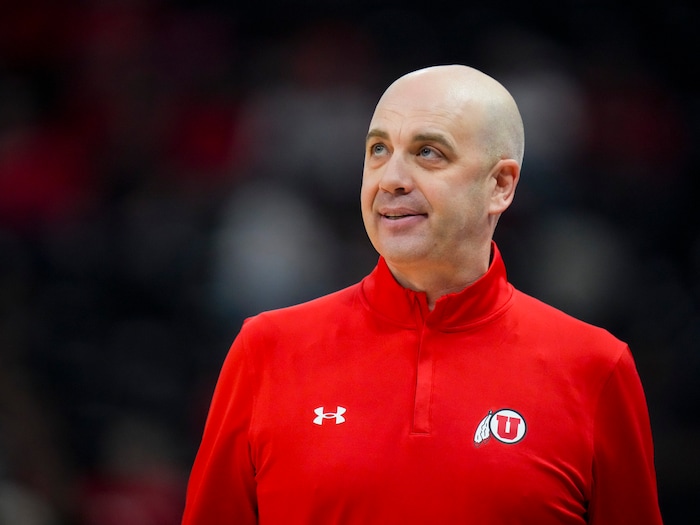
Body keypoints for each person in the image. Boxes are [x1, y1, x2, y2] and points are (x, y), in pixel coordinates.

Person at [181, 64, 663, 524]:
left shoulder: (595, 367)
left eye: (429, 152)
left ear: (500, 185)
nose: (391, 179)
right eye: (378, 151)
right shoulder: (266, 350)